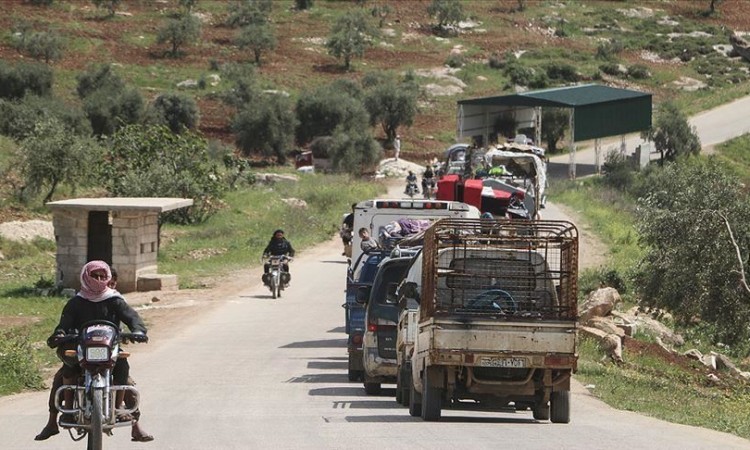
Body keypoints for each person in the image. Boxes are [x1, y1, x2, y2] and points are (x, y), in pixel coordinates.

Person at [37, 261, 153, 443]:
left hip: (109, 347)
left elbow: (132, 318)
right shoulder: (76, 302)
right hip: (81, 347)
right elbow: (64, 324)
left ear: (108, 277)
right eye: (94, 276)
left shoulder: (115, 300)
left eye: (102, 276)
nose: (99, 280)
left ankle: (126, 416)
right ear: (85, 276)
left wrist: (138, 330)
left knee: (124, 371)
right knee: (64, 374)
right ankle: (56, 419)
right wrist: (60, 334)